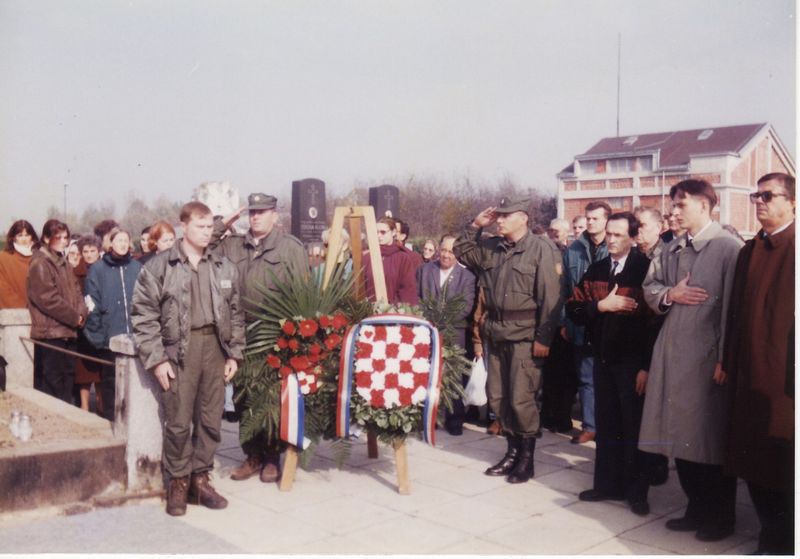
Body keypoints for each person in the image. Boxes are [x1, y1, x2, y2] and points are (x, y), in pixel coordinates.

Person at [639, 179, 743, 542]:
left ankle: (720, 517)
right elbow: (650, 287)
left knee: (707, 439)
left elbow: (733, 311)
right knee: (678, 436)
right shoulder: (672, 248)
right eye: (673, 205)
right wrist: (671, 294)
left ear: (704, 205)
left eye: (681, 204)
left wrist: (725, 358)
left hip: (706, 359)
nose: (674, 211)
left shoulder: (728, 248)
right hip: (671, 354)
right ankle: (696, 508)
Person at [132, 201, 245, 517]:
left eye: (210, 227)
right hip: (179, 351)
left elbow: (236, 313)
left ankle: (200, 479)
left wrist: (234, 353)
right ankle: (178, 481)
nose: (207, 233)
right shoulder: (160, 266)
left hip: (215, 348)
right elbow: (143, 315)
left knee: (210, 419)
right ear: (183, 227)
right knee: (179, 421)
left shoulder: (223, 266)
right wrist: (157, 359)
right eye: (200, 227)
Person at [454, 197, 562, 484]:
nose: (499, 220)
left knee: (521, 398)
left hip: (525, 336)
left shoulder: (542, 249)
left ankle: (526, 459)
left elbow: (551, 298)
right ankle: (512, 453)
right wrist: (476, 225)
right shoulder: (492, 247)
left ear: (523, 218)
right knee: (499, 397)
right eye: (497, 216)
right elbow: (461, 250)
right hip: (496, 332)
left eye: (506, 216)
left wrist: (544, 338)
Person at [210, 193, 309, 484]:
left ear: (275, 215)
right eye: (252, 212)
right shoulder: (233, 244)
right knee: (242, 396)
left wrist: (295, 340)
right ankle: (252, 455)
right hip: (239, 334)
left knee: (271, 398)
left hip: (273, 334)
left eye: (262, 212)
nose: (255, 217)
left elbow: (302, 293)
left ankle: (271, 457)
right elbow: (202, 245)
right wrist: (222, 224)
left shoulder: (290, 248)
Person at [566, 212, 656, 517]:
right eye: (609, 234)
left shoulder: (645, 269)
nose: (612, 240)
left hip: (633, 363)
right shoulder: (598, 268)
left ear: (633, 237)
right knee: (607, 424)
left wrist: (646, 366)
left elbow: (654, 324)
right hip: (602, 359)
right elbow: (574, 307)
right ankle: (607, 485)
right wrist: (600, 306)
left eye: (619, 234)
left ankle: (636, 492)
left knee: (633, 426)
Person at [723, 173, 795, 555]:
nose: (760, 202)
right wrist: (728, 360)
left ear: (792, 202)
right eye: (757, 195)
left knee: (783, 463)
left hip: (785, 381)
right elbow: (734, 312)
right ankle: (770, 534)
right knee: (751, 459)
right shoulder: (749, 250)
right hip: (747, 372)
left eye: (769, 195)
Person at [417, 234, 476, 435]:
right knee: (427, 373)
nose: (446, 255)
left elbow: (465, 306)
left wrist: (442, 320)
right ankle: (429, 416)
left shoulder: (467, 277)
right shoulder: (425, 270)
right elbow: (417, 298)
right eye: (443, 250)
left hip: (454, 331)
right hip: (427, 329)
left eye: (451, 251)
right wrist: (428, 319)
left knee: (453, 376)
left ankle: (454, 419)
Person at [563, 201, 611, 444]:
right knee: (585, 378)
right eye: (588, 218)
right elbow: (564, 289)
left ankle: (609, 426)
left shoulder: (615, 246)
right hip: (581, 323)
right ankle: (590, 426)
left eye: (595, 218)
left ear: (606, 220)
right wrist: (565, 322)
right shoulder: (573, 250)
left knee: (608, 379)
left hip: (608, 324)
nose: (590, 222)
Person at [27, 219, 88, 403]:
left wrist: (81, 314)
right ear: (46, 238)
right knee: (52, 389)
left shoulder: (64, 263)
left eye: (65, 237)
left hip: (68, 333)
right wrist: (74, 317)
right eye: (58, 237)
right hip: (51, 335)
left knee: (66, 385)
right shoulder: (40, 263)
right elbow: (48, 299)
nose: (64, 241)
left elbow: (77, 292)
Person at [84, 229, 142, 421]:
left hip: (134, 336)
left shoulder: (137, 267)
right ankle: (111, 419)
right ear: (110, 244)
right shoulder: (98, 269)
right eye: (119, 240)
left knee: (135, 382)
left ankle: (132, 420)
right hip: (110, 336)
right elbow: (91, 303)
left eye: (126, 240)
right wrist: (98, 337)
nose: (123, 244)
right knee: (110, 381)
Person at [73, 234, 104, 414]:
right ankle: (84, 405)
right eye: (86, 251)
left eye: (93, 251)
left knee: (101, 369)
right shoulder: (75, 272)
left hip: (101, 325)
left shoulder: (104, 270)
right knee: (83, 369)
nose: (89, 254)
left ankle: (101, 404)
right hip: (83, 326)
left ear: (99, 252)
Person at [363, 217, 419, 306]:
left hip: (394, 311)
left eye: (383, 232)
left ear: (393, 232)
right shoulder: (366, 258)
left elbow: (407, 290)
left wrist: (396, 309)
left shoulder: (403, 258)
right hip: (369, 311)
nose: (379, 236)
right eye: (376, 232)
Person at [0, 220, 39, 309]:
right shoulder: (3, 258)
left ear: (32, 237)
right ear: (13, 237)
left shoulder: (40, 257)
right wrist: (23, 306)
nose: (24, 239)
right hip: (12, 312)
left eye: (27, 235)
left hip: (39, 312)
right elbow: (2, 288)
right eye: (20, 235)